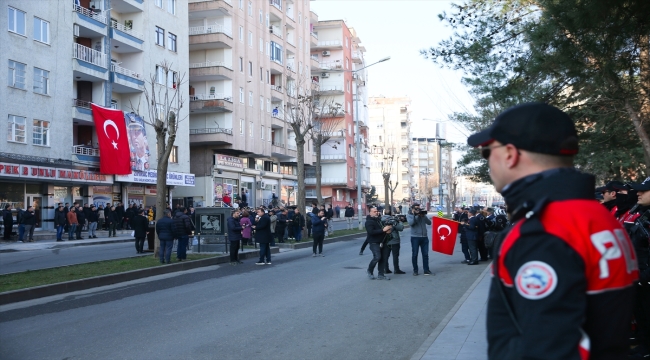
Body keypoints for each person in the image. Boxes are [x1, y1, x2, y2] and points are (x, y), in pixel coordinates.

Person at [467, 102, 637, 359]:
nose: (488, 162)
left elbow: (547, 349)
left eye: (487, 152)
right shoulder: (598, 215)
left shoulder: (545, 231)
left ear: (510, 154)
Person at [624, 178, 650, 359]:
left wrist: (645, 275)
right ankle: (645, 345)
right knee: (643, 317)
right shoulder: (641, 214)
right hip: (639, 278)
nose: (638, 193)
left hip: (646, 277)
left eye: (643, 190)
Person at [365, 207, 392, 280]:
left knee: (383, 258)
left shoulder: (380, 220)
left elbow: (384, 229)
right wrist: (383, 230)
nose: (376, 212)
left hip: (383, 241)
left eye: (377, 211)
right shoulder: (369, 222)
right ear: (370, 213)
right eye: (374, 211)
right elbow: (371, 232)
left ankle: (381, 274)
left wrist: (388, 231)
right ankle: (370, 271)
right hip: (374, 242)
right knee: (377, 257)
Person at [406, 203, 432, 276]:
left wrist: (423, 216)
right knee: (415, 254)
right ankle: (415, 270)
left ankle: (426, 270)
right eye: (416, 208)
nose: (418, 210)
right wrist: (416, 216)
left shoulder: (422, 215)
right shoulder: (409, 215)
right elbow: (411, 223)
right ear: (413, 209)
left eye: (419, 208)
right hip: (415, 237)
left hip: (424, 237)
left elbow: (429, 223)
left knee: (425, 254)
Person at [382, 209, 405, 274]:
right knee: (395, 256)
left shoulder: (381, 220)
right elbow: (400, 228)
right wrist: (400, 221)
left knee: (386, 256)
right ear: (391, 213)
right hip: (394, 241)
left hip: (385, 240)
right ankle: (396, 269)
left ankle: (386, 269)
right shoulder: (393, 220)